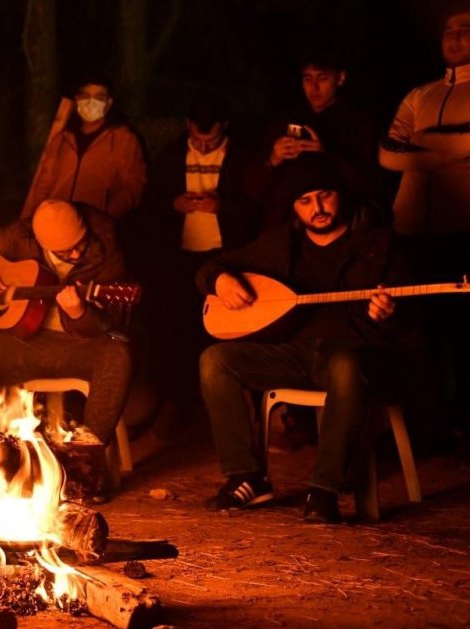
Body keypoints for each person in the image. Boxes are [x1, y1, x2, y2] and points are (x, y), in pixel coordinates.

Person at [197, 156, 407, 523]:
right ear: (295, 207)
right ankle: (247, 476)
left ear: (340, 195)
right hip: (294, 354)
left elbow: (412, 323)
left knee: (344, 364)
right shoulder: (280, 244)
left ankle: (324, 489)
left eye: (325, 195)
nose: (318, 208)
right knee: (216, 360)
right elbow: (210, 269)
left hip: (355, 355)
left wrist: (386, 315)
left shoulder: (379, 243)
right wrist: (221, 280)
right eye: (305, 200)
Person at [0, 200, 132, 452]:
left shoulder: (105, 247)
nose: (76, 254)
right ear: (42, 243)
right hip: (25, 343)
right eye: (65, 251)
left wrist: (79, 313)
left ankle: (86, 456)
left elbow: (114, 319)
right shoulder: (21, 237)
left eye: (80, 244)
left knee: (117, 353)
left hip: (76, 345)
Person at [379, 3, 470, 447]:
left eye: (465, 30)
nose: (455, 38)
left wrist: (424, 147)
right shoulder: (420, 95)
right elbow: (387, 152)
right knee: (418, 331)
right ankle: (431, 426)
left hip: (464, 226)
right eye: (448, 31)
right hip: (412, 227)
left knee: (464, 332)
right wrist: (451, 151)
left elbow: (406, 150)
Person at [140, 92, 259, 416]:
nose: (204, 148)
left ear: (225, 127)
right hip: (181, 257)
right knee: (177, 329)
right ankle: (177, 404)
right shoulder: (171, 156)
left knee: (230, 329)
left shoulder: (242, 157)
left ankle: (235, 405)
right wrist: (173, 205)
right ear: (188, 126)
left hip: (227, 257)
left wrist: (223, 208)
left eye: (212, 141)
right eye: (198, 139)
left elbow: (258, 206)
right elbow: (148, 203)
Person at [244, 46, 385, 232]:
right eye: (307, 79)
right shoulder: (284, 122)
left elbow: (372, 185)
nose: (314, 87)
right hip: (286, 233)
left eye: (323, 78)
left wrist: (327, 154)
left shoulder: (360, 124)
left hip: (339, 232)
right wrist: (273, 159)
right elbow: (252, 189)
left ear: (340, 78)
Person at [22, 76, 146, 222]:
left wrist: (106, 213)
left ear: (109, 103)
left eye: (99, 97)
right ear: (77, 100)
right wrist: (38, 214)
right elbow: (44, 182)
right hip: (55, 222)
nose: (91, 102)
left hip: (96, 227)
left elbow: (134, 184)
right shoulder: (63, 139)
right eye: (85, 96)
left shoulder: (123, 139)